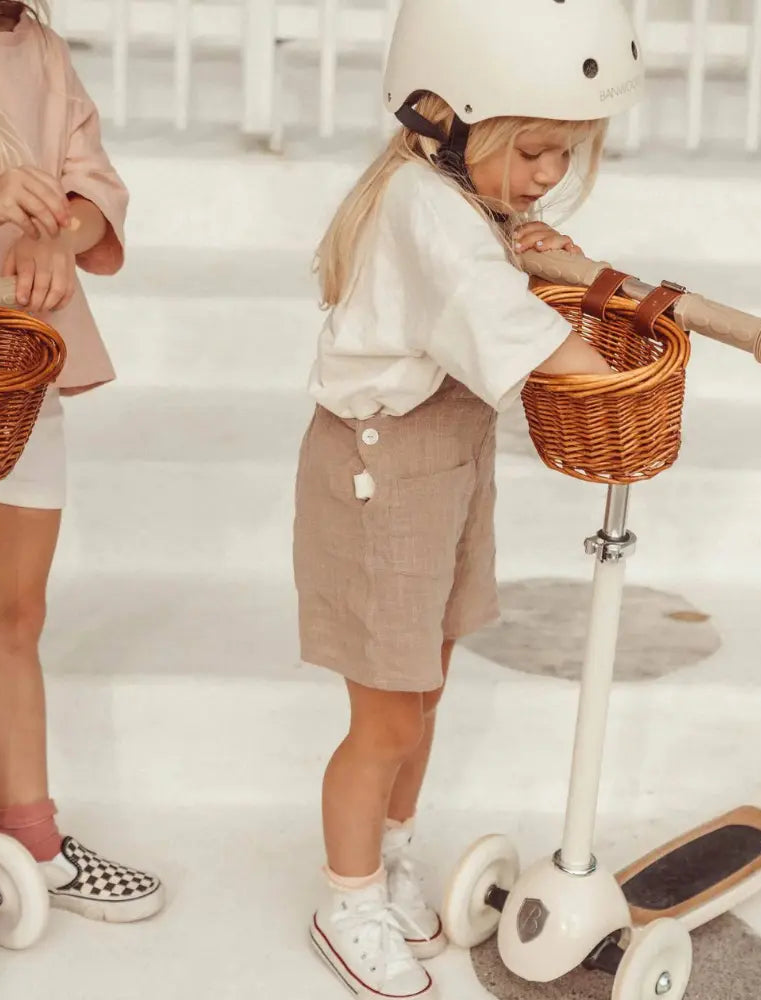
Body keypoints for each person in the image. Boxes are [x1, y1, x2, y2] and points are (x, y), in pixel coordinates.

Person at [293, 0, 645, 995]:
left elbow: (489, 273)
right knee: (386, 717)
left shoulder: (453, 200)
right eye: (533, 150)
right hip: (380, 476)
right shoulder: (424, 212)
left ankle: (388, 852)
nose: (547, 176)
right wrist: (613, 384)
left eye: (562, 157)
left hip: (442, 465)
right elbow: (511, 329)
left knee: (428, 686)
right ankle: (345, 897)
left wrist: (513, 228)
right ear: (454, 116)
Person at [0, 0, 163, 923]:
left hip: (20, 358)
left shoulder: (42, 49)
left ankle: (33, 842)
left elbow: (93, 191)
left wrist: (52, 237)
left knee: (13, 612)